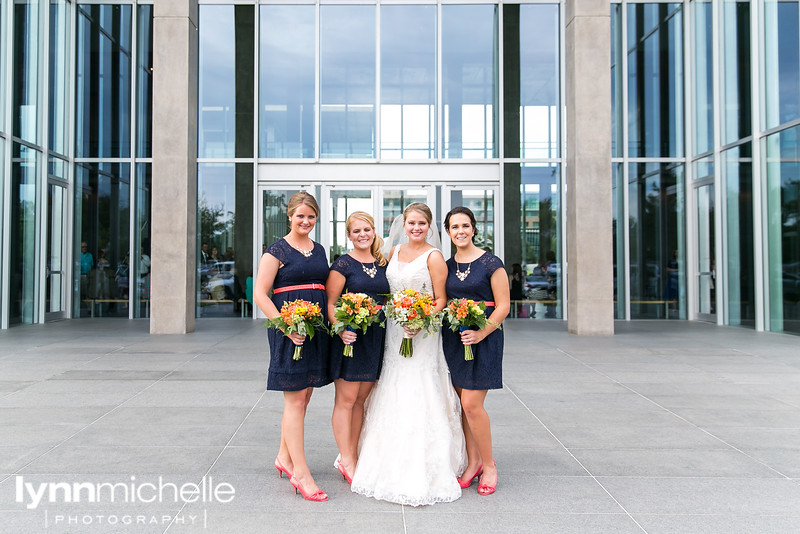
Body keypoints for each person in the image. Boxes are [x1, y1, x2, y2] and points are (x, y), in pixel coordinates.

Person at [350, 202, 466, 506]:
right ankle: (384, 453)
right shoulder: (393, 252)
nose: (416, 228)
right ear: (404, 224)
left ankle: (428, 459)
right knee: (392, 383)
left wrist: (420, 317)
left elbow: (441, 299)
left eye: (421, 224)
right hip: (393, 329)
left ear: (429, 227)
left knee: (419, 385)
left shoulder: (435, 256)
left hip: (423, 332)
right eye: (411, 223)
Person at [253, 191, 331, 502]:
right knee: (295, 400)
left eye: (311, 216)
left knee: (306, 394)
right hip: (289, 329)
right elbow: (260, 294)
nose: (306, 221)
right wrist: (286, 327)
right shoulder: (276, 250)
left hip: (315, 328)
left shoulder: (319, 248)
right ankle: (301, 472)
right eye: (300, 216)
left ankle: (284, 457)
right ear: (289, 216)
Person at [441, 206, 510, 496]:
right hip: (455, 339)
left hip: (484, 338)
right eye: (455, 227)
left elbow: (504, 305)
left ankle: (489, 464)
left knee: (471, 404)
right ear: (447, 231)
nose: (461, 231)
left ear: (474, 228)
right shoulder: (446, 265)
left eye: (465, 226)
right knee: (462, 406)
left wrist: (482, 333)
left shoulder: (491, 263)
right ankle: (473, 464)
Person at [325, 211, 389, 485]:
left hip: (376, 338)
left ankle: (352, 454)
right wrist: (341, 329)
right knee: (346, 400)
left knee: (361, 400)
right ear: (349, 235)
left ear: (374, 231)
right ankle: (346, 458)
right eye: (356, 231)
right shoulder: (343, 265)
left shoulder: (384, 263)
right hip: (351, 338)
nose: (363, 235)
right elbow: (330, 303)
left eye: (367, 230)